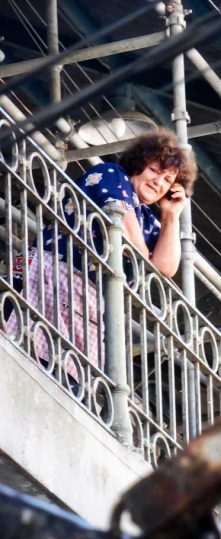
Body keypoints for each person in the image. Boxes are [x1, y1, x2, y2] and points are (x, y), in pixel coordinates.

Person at [6, 128, 197, 378]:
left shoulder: (149, 220)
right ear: (139, 163)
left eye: (168, 180)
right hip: (50, 274)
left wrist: (172, 215)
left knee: (68, 378)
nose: (158, 183)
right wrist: (145, 256)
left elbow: (165, 269)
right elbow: (130, 242)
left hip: (86, 301)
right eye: (154, 170)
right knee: (21, 351)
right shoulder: (111, 175)